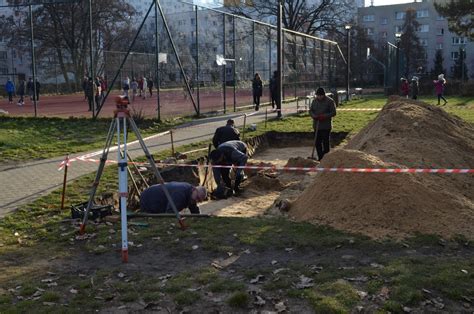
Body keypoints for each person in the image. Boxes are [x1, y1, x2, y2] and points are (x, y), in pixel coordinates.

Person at [140, 182, 207, 214]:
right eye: (197, 198)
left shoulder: (191, 194)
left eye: (199, 201)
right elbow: (170, 212)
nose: (196, 201)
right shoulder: (180, 194)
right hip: (149, 198)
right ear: (194, 189)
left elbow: (194, 209)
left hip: (154, 195)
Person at [309, 87, 337, 161]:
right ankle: (320, 158)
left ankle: (326, 159)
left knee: (325, 143)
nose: (319, 97)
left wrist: (324, 116)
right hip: (316, 126)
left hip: (326, 126)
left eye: (320, 96)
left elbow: (334, 112)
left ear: (323, 95)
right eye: (317, 95)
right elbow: (311, 111)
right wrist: (314, 116)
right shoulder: (314, 101)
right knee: (317, 143)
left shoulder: (330, 101)